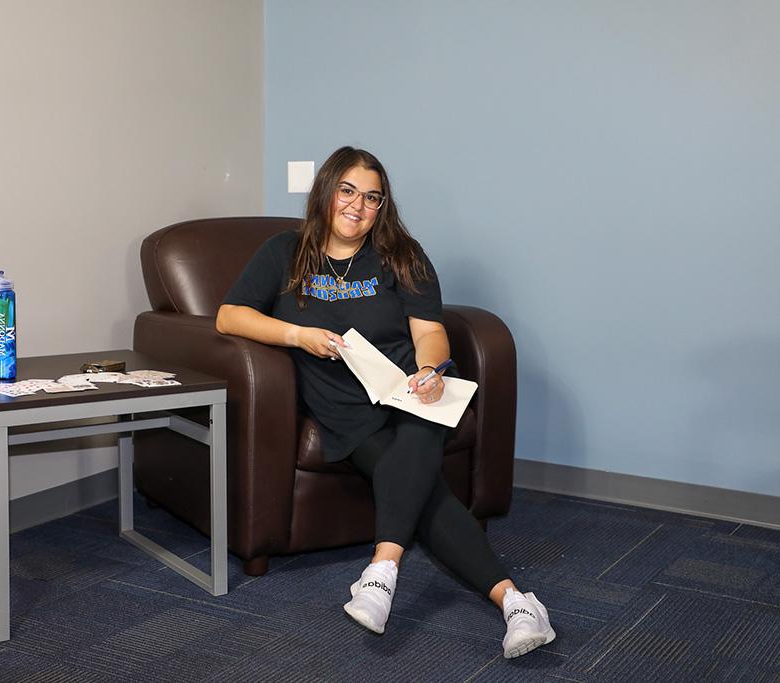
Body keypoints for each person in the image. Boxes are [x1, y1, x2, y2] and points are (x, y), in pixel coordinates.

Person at [216, 146, 555, 659]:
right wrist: (296, 334)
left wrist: (431, 370)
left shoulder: (401, 254)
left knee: (416, 440)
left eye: (372, 197)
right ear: (326, 192)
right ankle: (518, 602)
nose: (358, 205)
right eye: (348, 191)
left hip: (410, 390)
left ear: (382, 206)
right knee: (426, 493)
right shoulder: (285, 251)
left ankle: (382, 570)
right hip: (345, 407)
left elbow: (430, 330)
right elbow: (229, 316)